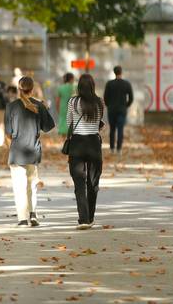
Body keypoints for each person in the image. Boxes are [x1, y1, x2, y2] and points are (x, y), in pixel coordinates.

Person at [5, 76, 55, 227]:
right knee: (31, 184)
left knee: (18, 186)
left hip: (16, 150)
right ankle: (33, 214)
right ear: (32, 89)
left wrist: (11, 146)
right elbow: (48, 127)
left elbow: (8, 133)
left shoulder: (11, 107)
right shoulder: (39, 105)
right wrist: (45, 108)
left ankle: (21, 218)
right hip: (33, 150)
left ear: (19, 89)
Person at [66, 74, 104, 230]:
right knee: (93, 183)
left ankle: (83, 219)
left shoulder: (73, 102)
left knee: (79, 184)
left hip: (77, 144)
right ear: (93, 86)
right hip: (94, 144)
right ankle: (91, 217)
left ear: (79, 86)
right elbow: (100, 122)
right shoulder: (99, 102)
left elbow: (70, 122)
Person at [103, 66, 134, 153]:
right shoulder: (126, 84)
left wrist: (108, 105)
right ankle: (119, 149)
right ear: (121, 72)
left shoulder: (109, 84)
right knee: (120, 129)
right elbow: (131, 98)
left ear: (114, 72)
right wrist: (126, 106)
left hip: (112, 110)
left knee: (112, 129)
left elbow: (105, 97)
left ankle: (112, 148)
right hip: (122, 110)